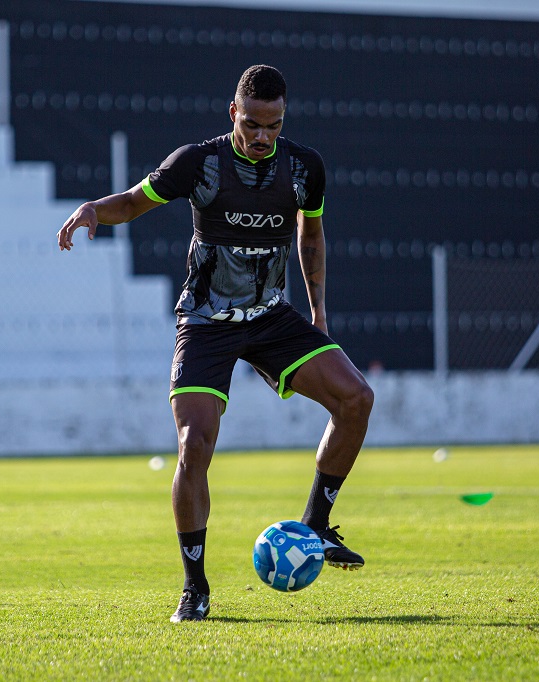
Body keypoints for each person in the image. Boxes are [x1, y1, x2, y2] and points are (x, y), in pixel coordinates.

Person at [57, 65, 374, 622]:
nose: (262, 136)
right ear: (234, 113)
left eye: (273, 126)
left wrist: (319, 310)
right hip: (206, 321)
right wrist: (93, 210)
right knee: (194, 445)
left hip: (271, 317)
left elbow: (311, 234)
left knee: (357, 398)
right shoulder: (198, 163)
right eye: (252, 124)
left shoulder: (305, 168)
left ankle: (317, 524)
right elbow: (131, 203)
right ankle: (195, 587)